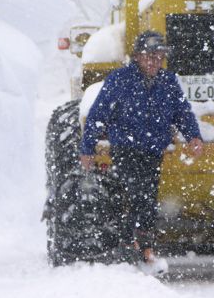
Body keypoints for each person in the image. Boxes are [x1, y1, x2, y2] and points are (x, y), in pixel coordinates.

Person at [79, 31, 203, 274]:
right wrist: (88, 148)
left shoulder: (168, 81)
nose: (154, 62)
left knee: (147, 199)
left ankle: (144, 249)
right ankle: (132, 248)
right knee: (134, 196)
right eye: (149, 57)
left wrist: (194, 136)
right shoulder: (120, 79)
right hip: (126, 149)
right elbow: (98, 114)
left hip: (153, 150)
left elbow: (182, 112)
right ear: (137, 57)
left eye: (159, 57)